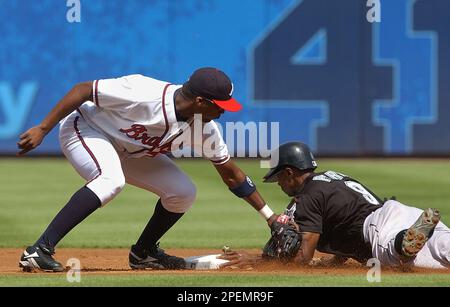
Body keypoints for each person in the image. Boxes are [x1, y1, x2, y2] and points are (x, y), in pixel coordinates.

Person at [17, 67, 277, 272]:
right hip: (87, 129)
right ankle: (39, 251)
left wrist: (270, 216)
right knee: (111, 180)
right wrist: (42, 128)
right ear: (200, 101)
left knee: (183, 192)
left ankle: (144, 253)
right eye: (220, 105)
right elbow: (84, 89)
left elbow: (230, 174)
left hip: (131, 150)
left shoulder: (204, 128)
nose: (223, 112)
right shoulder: (142, 92)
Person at [262, 141, 450, 269]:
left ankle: (403, 241)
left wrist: (271, 262)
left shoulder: (307, 196)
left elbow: (304, 256)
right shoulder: (331, 177)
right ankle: (416, 234)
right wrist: (334, 261)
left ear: (289, 173)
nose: (278, 183)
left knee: (395, 255)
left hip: (379, 229)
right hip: (403, 213)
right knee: (443, 246)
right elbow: (345, 223)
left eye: (278, 176)